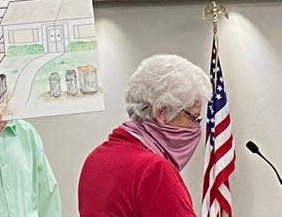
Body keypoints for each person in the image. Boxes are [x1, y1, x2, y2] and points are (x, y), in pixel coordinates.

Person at [78, 54, 211, 217]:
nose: (196, 128)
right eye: (192, 117)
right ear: (162, 112)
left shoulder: (96, 158)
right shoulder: (154, 170)